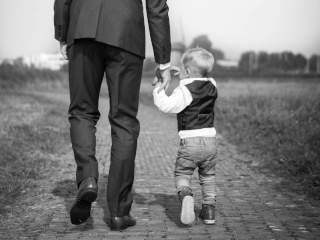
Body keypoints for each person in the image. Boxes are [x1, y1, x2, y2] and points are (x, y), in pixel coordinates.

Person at [54, 0, 172, 231]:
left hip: (82, 29)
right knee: (124, 121)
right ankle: (119, 212)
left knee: (82, 112)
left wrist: (62, 33)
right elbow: (156, 5)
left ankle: (87, 177)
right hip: (125, 34)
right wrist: (163, 59)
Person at [153, 47, 218, 225]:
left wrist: (159, 85)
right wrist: (184, 71)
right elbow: (203, 76)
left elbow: (166, 106)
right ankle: (209, 211)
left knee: (182, 172)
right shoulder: (212, 85)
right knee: (208, 176)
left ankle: (186, 194)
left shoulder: (185, 91)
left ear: (187, 72)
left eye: (182, 69)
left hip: (190, 142)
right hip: (211, 141)